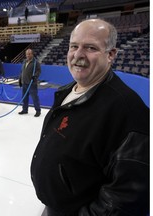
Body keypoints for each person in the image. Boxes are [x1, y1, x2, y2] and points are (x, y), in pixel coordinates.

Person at [30, 19, 149, 216]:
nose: (78, 55)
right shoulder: (67, 91)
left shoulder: (128, 112)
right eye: (73, 46)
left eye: (90, 47)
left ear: (111, 54)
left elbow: (127, 198)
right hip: (56, 206)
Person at [18, 49, 41, 117]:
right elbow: (22, 71)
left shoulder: (35, 62)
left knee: (34, 98)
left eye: (29, 54)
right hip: (24, 83)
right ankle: (25, 110)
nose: (27, 55)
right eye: (27, 54)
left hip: (32, 84)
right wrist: (20, 79)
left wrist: (35, 76)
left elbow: (39, 71)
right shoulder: (24, 61)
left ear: (32, 54)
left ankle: (38, 111)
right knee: (24, 97)